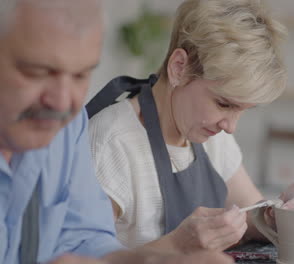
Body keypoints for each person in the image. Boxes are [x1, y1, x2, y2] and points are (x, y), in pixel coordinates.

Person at [87, 0, 294, 255]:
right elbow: (83, 260)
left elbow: (250, 213)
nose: (231, 127)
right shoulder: (112, 142)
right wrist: (175, 246)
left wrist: (275, 215)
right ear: (179, 68)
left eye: (243, 110)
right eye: (224, 103)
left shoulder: (208, 133)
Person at [0, 0, 233, 263]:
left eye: (80, 75)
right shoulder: (110, 135)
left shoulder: (68, 129)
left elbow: (85, 240)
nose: (63, 101)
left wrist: (155, 260)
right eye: (38, 72)